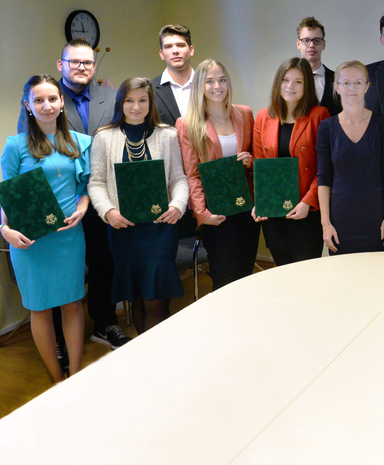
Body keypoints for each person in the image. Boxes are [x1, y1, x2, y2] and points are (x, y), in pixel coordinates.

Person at [15, 39, 129, 356]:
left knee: (104, 263)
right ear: (60, 65)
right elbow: (28, 153)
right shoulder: (45, 98)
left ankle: (105, 323)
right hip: (60, 204)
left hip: (103, 199)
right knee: (57, 272)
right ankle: (58, 338)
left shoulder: (111, 97)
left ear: (94, 65)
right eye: (74, 61)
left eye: (87, 62)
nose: (82, 67)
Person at [2, 75, 92, 382]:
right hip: (30, 240)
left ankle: (75, 374)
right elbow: (6, 195)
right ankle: (57, 379)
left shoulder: (80, 142)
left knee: (72, 304)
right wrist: (4, 230)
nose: (46, 105)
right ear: (28, 106)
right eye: (38, 100)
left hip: (68, 236)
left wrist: (82, 207)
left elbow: (84, 187)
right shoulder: (15, 146)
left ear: (62, 102)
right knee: (40, 309)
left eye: (52, 99)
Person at [88, 77, 189, 333]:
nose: (136, 107)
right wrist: (108, 211)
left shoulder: (167, 135)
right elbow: (96, 183)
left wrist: (178, 205)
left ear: (150, 102)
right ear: (120, 102)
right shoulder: (104, 137)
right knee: (138, 297)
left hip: (160, 229)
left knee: (156, 298)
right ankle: (145, 353)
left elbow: (178, 178)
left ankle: (159, 352)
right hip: (124, 231)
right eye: (129, 100)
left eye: (142, 100)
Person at [176, 59, 259, 290]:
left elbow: (257, 156)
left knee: (246, 276)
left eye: (222, 80)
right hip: (216, 213)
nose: (217, 86)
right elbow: (192, 174)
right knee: (225, 281)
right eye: (209, 81)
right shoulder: (187, 123)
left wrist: (250, 161)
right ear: (199, 86)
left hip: (247, 209)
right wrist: (202, 214)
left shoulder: (244, 114)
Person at [253, 57, 330, 264]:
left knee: (306, 273)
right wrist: (260, 201)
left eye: (298, 82)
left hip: (306, 211)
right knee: (282, 271)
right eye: (285, 80)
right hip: (274, 212)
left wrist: (307, 202)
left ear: (307, 86)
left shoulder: (319, 115)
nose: (290, 86)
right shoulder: (263, 116)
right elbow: (260, 164)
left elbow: (325, 168)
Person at [317, 61, 384, 254]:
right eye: (346, 83)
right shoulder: (327, 127)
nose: (352, 88)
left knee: (381, 270)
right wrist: (326, 224)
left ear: (367, 86)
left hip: (377, 218)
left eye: (358, 82)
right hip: (340, 220)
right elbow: (324, 179)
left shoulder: (383, 123)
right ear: (337, 87)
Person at [152, 24, 196, 126]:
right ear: (162, 54)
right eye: (168, 47)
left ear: (191, 50)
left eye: (180, 45)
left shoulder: (207, 85)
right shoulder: (150, 90)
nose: (175, 51)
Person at [297, 16, 341, 116]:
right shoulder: (287, 81)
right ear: (298, 44)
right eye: (306, 40)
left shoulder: (338, 80)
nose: (312, 45)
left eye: (317, 40)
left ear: (323, 44)